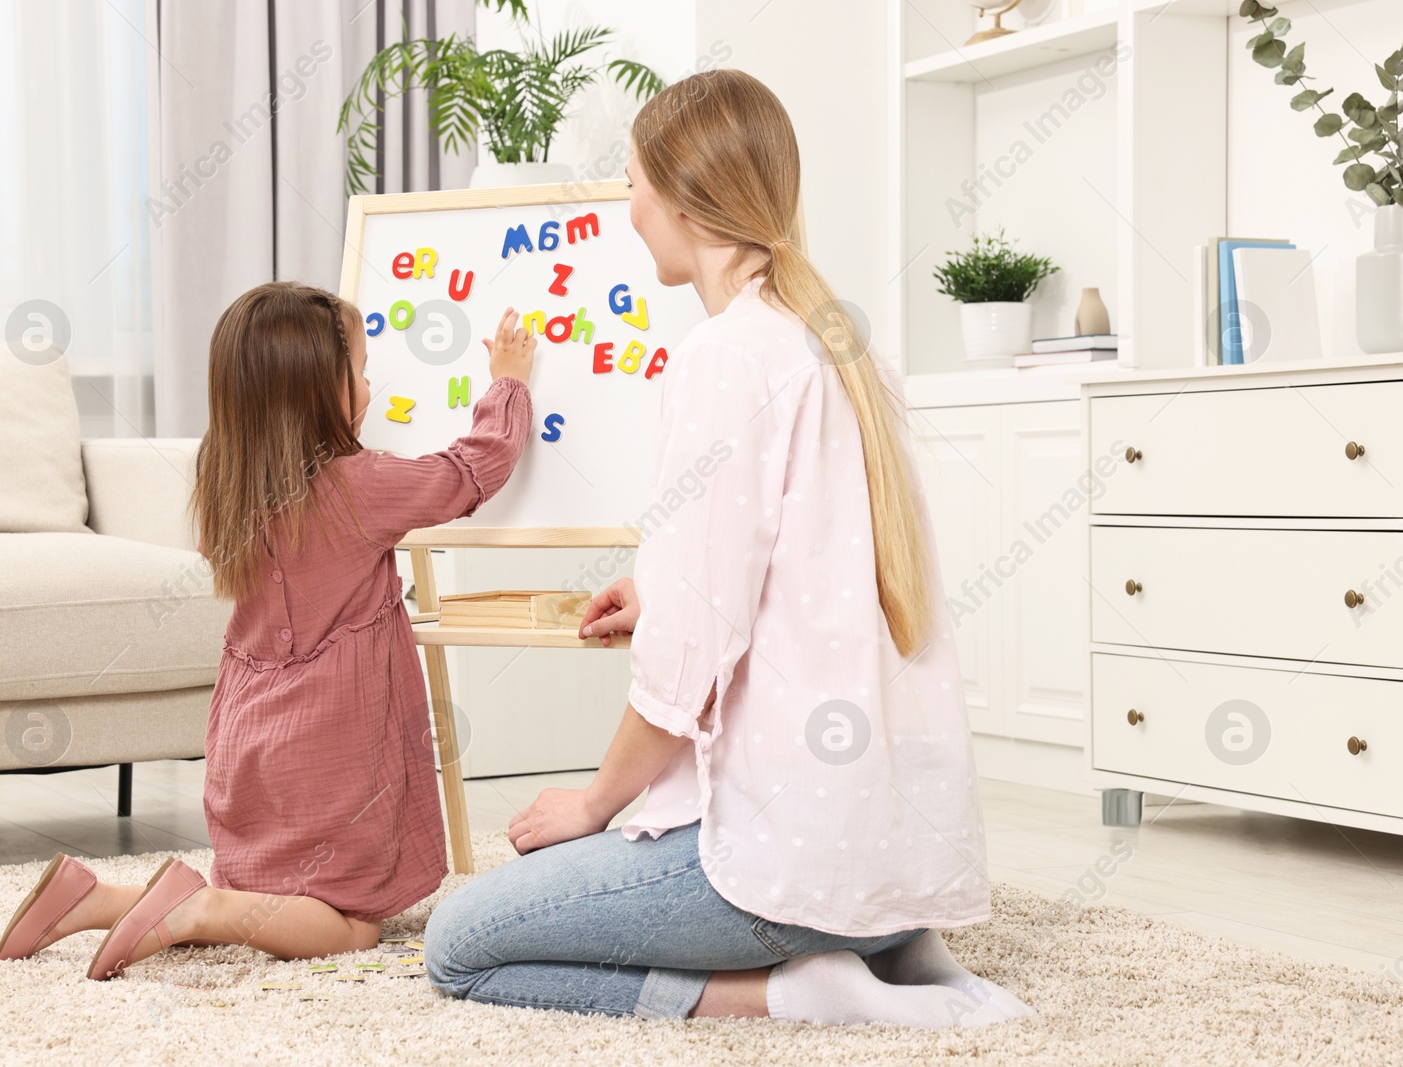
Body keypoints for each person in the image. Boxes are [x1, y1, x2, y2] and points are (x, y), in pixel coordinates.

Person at [422, 69, 1032, 1027]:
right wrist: (660, 585)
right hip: (887, 864)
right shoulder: (844, 347)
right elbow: (806, 574)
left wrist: (592, 802)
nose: (627, 211)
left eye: (630, 184)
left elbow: (684, 669)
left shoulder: (725, 357)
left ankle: (793, 994)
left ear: (676, 195)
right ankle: (892, 952)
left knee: (459, 946)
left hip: (786, 874)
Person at [0, 283, 536, 978]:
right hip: (332, 747)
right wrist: (508, 387)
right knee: (350, 921)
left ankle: (93, 899)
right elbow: (469, 471)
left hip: (247, 737)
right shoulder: (358, 487)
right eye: (363, 372)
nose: (371, 386)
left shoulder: (224, 479)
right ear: (320, 389)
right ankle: (195, 911)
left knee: (267, 892)